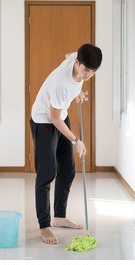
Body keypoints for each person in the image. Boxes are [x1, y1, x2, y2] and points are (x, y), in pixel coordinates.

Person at [30, 43, 103, 245]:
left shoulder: (75, 58)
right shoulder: (61, 85)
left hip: (61, 115)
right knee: (47, 173)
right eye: (85, 70)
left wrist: (76, 92)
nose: (88, 76)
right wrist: (76, 141)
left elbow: (67, 52)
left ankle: (59, 216)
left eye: (93, 72)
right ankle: (44, 225)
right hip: (44, 121)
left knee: (68, 169)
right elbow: (53, 118)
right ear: (77, 63)